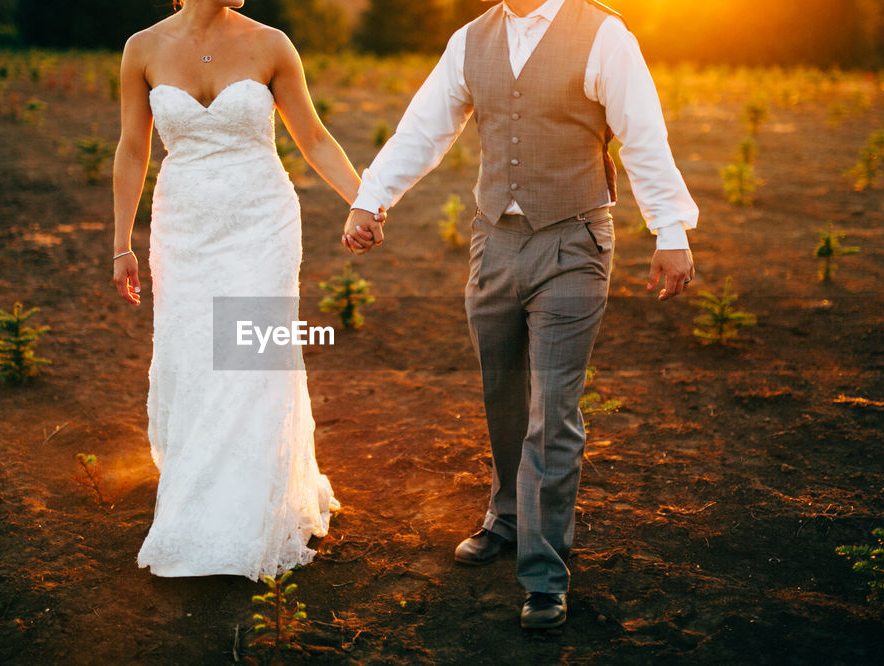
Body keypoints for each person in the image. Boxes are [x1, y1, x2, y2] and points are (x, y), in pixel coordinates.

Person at [342, 0, 699, 629]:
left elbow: (644, 134)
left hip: (573, 241)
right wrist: (371, 200)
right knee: (502, 391)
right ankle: (506, 517)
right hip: (493, 243)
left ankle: (543, 573)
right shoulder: (471, 40)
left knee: (552, 411)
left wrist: (669, 229)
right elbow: (425, 128)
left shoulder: (603, 35)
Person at [110, 0, 381, 580]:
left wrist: (361, 200)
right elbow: (133, 148)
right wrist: (121, 243)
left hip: (262, 222)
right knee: (196, 356)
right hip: (184, 228)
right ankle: (202, 491)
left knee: (252, 358)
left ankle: (247, 509)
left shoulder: (272, 44)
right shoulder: (143, 48)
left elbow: (313, 137)